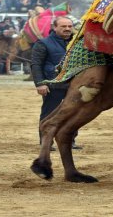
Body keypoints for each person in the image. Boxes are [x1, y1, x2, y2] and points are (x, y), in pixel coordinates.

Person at [31, 17, 81, 150]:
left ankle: (70, 141)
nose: (67, 29)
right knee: (49, 114)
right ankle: (46, 143)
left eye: (69, 26)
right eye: (63, 26)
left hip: (74, 84)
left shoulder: (77, 43)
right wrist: (40, 84)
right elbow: (36, 65)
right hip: (52, 85)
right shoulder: (43, 43)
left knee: (74, 114)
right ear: (54, 27)